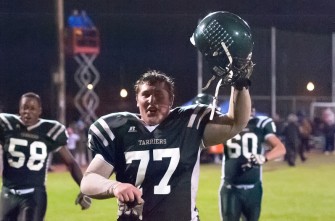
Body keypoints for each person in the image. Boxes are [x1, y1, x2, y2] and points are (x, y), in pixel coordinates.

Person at [80, 67, 252, 220]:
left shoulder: (188, 125)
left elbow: (235, 122)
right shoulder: (119, 130)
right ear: (137, 100)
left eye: (158, 95)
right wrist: (115, 186)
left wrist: (239, 84)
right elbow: (88, 181)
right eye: (146, 94)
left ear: (171, 101)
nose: (151, 100)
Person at [0, 92, 91, 221]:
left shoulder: (49, 131)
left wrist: (84, 188)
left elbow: (70, 162)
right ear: (19, 109)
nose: (27, 112)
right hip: (8, 193)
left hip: (34, 194)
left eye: (32, 108)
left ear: (39, 111)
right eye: (24, 107)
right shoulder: (7, 126)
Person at [219, 107, 286, 221]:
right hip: (230, 187)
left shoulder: (260, 124)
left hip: (253, 188)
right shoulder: (225, 124)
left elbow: (280, 148)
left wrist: (264, 158)